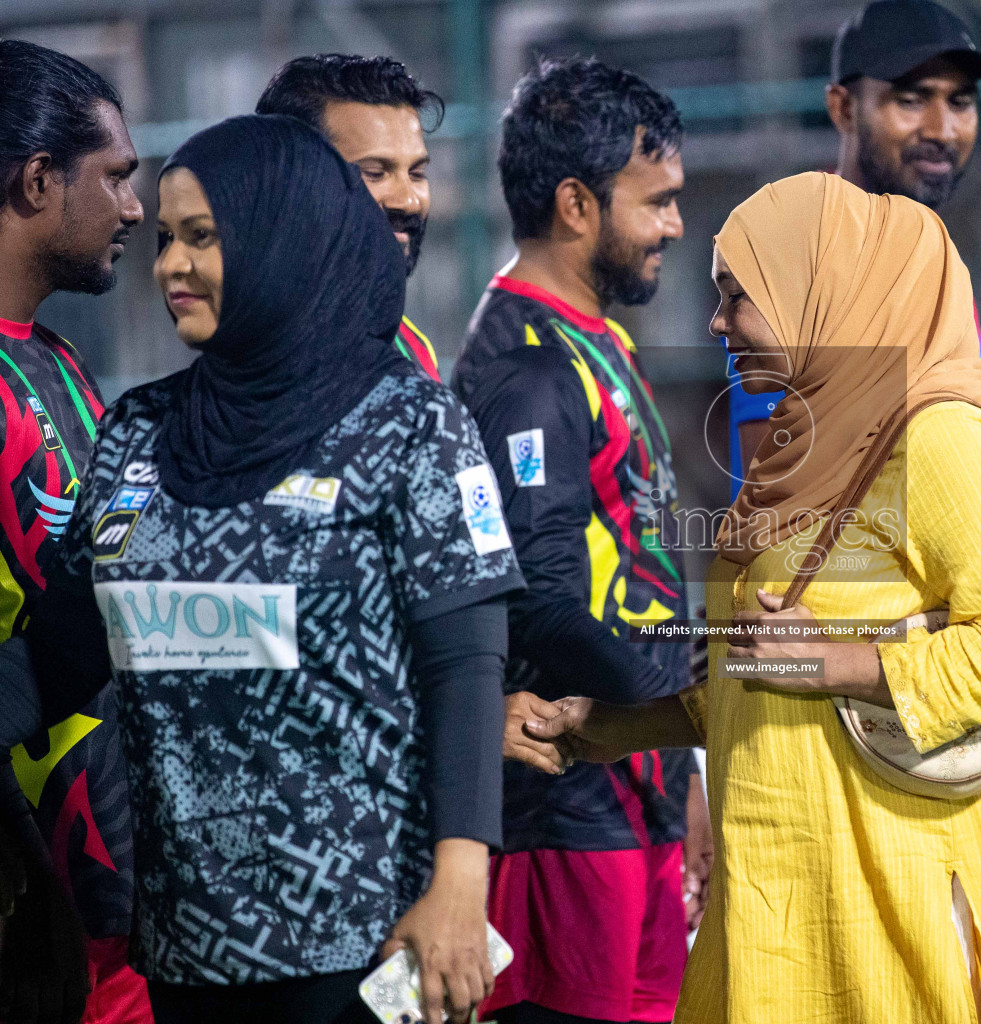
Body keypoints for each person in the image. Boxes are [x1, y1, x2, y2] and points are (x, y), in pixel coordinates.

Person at [505, 170, 981, 1024]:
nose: (716, 323)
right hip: (798, 904)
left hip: (912, 906)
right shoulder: (800, 448)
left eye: (737, 297)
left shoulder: (940, 438)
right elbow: (766, 675)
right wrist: (606, 727)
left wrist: (844, 660)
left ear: (815, 292)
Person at [4, 113, 524, 1024]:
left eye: (202, 238)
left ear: (279, 239)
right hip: (185, 948)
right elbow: (63, 647)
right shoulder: (138, 431)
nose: (169, 267)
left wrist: (460, 880)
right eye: (165, 239)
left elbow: (465, 669)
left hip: (373, 942)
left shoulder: (408, 425)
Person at [452, 57, 698, 1024]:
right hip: (565, 810)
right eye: (659, 202)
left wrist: (689, 767)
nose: (676, 226)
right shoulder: (526, 367)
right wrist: (690, 702)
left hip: (640, 788)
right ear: (576, 205)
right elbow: (539, 600)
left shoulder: (601, 341)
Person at [0, 38, 146, 1024]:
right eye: (117, 178)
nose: (134, 208)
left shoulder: (55, 359)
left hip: (119, 891)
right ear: (39, 179)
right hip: (31, 904)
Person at [723, 0, 981, 484]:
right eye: (911, 100)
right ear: (843, 107)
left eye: (961, 101)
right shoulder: (792, 252)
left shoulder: (932, 252)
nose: (942, 130)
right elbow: (777, 487)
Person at [256, 53, 444, 379]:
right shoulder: (260, 356)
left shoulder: (409, 341)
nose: (409, 201)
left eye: (416, 173)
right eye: (374, 172)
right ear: (289, 183)